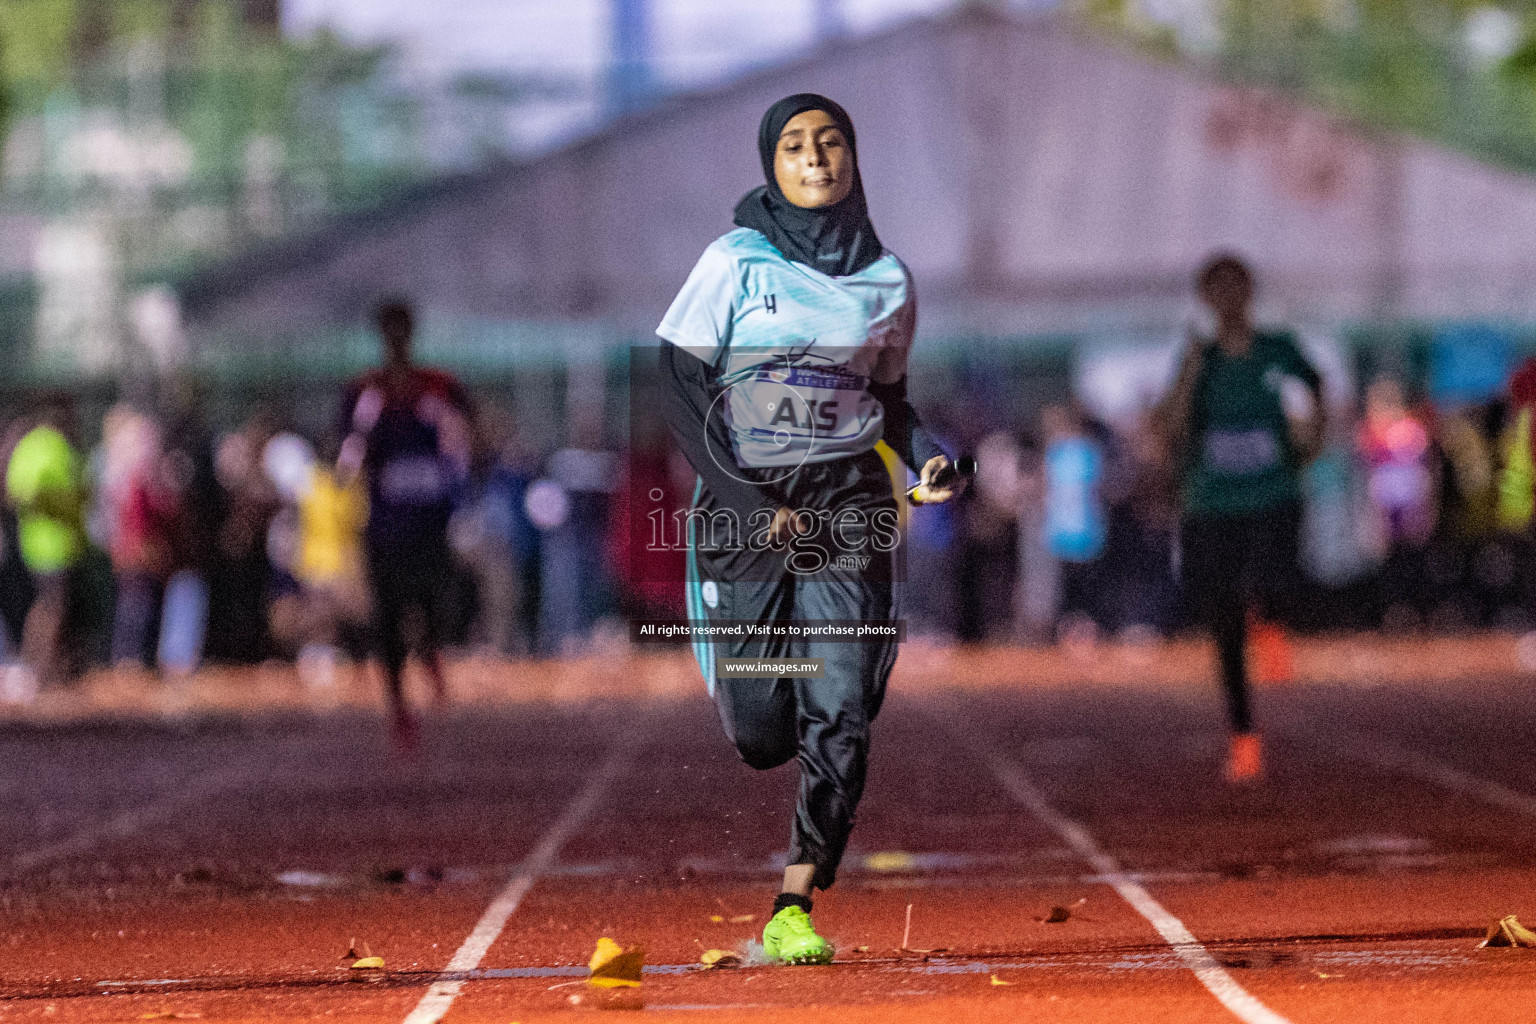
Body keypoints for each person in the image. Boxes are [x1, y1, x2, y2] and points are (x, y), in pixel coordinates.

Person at [657, 94, 964, 964]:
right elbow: (679, 389)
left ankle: (797, 898)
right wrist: (749, 499)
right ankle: (764, 684)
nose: (817, 158)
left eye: (832, 143)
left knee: (841, 709)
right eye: (796, 146)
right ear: (772, 165)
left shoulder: (890, 282)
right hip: (746, 508)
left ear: (855, 158)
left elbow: (892, 405)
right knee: (761, 734)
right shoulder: (734, 262)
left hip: (848, 507)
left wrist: (929, 459)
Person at [1157, 253, 1324, 784]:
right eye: (1217, 289)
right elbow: (1169, 429)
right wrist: (1188, 370)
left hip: (1273, 496)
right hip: (1211, 504)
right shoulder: (1199, 359)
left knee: (1277, 579)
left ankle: (1272, 622)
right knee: (1223, 621)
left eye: (1237, 287)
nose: (1228, 298)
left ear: (1250, 292)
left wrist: (1311, 438)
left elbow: (1316, 388)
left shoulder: (1279, 349)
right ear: (1205, 299)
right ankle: (1243, 735)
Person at [340, 298, 472, 751]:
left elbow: (469, 438)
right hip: (386, 527)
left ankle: (431, 650)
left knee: (435, 603)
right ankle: (398, 705)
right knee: (388, 617)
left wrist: (459, 468)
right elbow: (344, 460)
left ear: (411, 333)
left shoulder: (440, 386)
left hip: (431, 522)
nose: (396, 339)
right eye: (389, 330)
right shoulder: (364, 392)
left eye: (403, 329)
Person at [5, 394, 88, 687]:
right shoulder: (47, 445)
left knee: (50, 605)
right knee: (51, 606)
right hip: (51, 544)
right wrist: (60, 504)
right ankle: (35, 669)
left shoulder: (33, 444)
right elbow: (24, 493)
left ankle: (43, 669)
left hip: (47, 543)